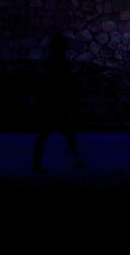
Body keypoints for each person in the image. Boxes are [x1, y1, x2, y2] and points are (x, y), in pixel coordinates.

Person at [31, 34, 86, 172]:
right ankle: (76, 160)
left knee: (49, 133)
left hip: (52, 101)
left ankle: (37, 163)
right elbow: (64, 81)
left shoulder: (51, 60)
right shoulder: (59, 61)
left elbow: (45, 81)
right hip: (57, 102)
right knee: (64, 132)